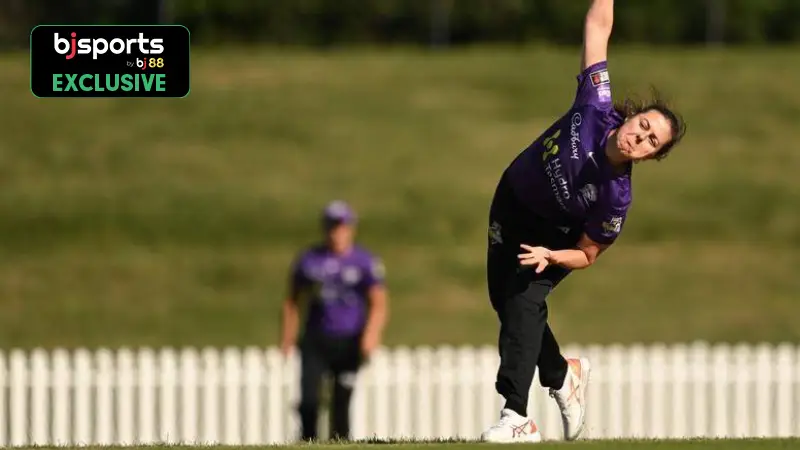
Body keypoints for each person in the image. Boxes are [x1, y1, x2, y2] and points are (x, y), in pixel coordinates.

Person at [480, 0, 686, 443]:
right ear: (632, 115)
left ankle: (517, 415)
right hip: (509, 201)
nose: (641, 137)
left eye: (652, 141)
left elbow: (588, 253)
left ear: (653, 155)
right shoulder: (596, 103)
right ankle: (563, 374)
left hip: (548, 238)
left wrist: (550, 255)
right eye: (644, 124)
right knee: (506, 301)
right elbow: (598, 24)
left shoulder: (615, 197)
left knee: (522, 305)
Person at [279, 200, 389, 442]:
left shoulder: (364, 262)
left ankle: (339, 443)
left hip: (349, 340)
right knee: (309, 400)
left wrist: (371, 335)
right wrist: (287, 337)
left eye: (340, 227)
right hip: (316, 339)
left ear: (351, 229)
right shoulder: (309, 261)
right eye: (331, 226)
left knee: (342, 401)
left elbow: (378, 302)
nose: (335, 232)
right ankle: (307, 442)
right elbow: (292, 300)